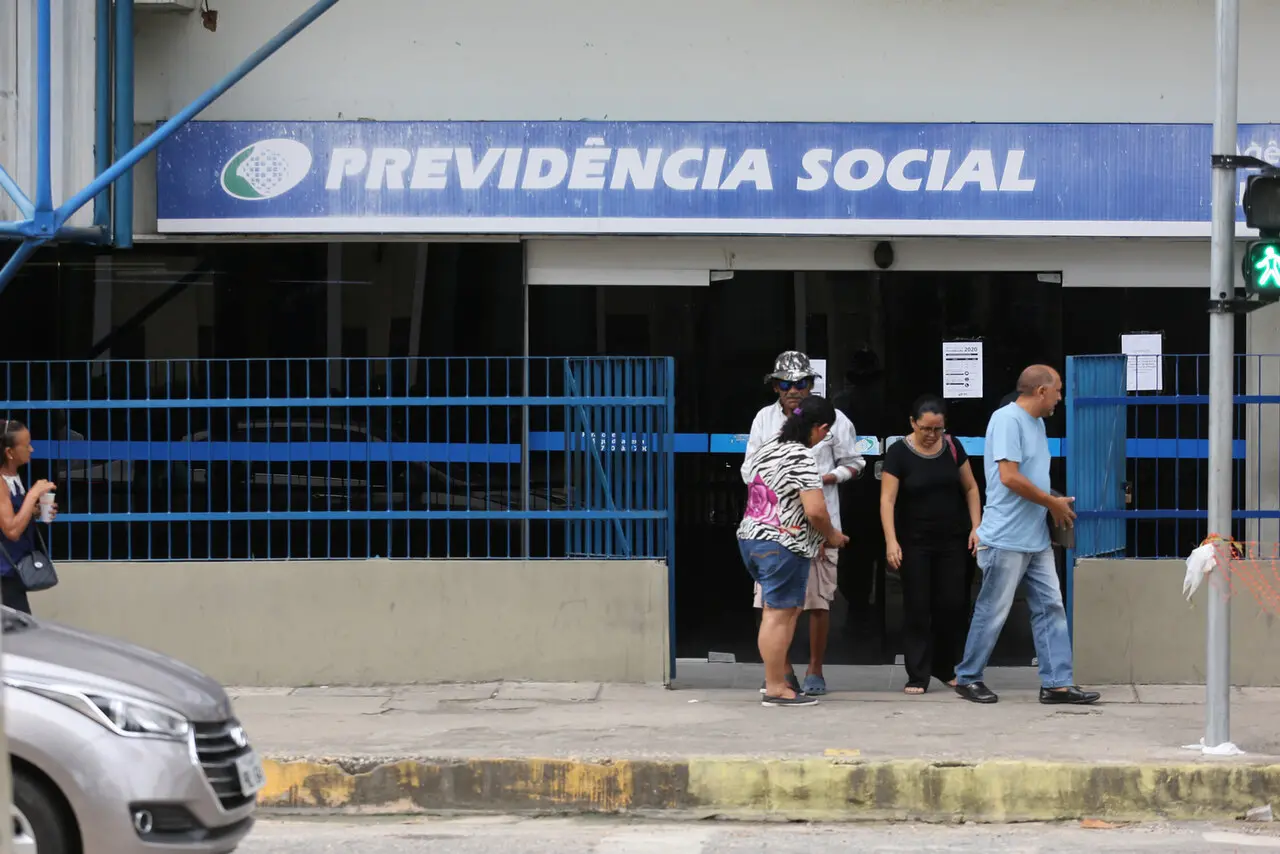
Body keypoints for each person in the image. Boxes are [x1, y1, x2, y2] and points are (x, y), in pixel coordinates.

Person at [954, 366, 1100, 705]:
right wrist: (1051, 503)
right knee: (993, 611)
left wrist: (1049, 505)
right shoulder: (1007, 420)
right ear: (1040, 391)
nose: (1060, 399)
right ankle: (968, 677)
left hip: (1034, 538)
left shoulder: (1036, 423)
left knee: (1051, 608)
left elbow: (1030, 476)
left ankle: (1057, 684)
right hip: (1005, 537)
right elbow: (1009, 477)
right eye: (1058, 391)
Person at [742, 351, 864, 696]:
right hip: (785, 528)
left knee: (816, 602)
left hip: (781, 527)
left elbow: (855, 462)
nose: (794, 390)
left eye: (802, 383)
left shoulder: (834, 418)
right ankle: (779, 677)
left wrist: (825, 477)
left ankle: (812, 671)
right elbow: (748, 471)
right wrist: (798, 481)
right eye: (786, 383)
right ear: (775, 386)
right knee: (773, 607)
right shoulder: (768, 425)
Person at [879, 396, 982, 694]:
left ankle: (946, 665)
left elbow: (972, 488)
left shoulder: (953, 447)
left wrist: (976, 526)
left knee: (951, 604)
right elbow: (887, 500)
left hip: (952, 539)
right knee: (917, 606)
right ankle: (918, 673)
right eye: (926, 428)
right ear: (912, 423)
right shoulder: (899, 452)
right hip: (914, 543)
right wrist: (891, 540)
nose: (932, 435)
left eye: (938, 429)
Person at [832, 348, 887, 636]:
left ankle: (858, 607)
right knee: (880, 546)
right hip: (878, 482)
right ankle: (872, 609)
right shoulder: (884, 400)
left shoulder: (841, 402)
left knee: (855, 551)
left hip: (853, 486)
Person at [0, 420, 57, 614]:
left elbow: (14, 514)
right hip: (4, 573)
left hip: (13, 569)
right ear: (9, 452)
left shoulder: (13, 477)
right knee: (17, 633)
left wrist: (36, 510)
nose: (31, 449)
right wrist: (32, 495)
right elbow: (12, 530)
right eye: (26, 445)